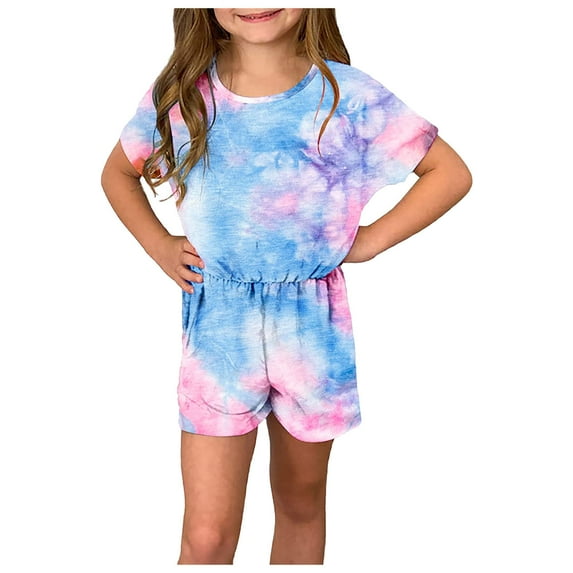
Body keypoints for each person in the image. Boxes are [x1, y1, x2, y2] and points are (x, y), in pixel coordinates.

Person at [101, 8, 472, 565]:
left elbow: (450, 173)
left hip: (311, 331)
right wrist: (159, 246)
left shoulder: (348, 95)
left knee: (300, 502)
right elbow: (118, 173)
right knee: (206, 534)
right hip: (220, 332)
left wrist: (370, 240)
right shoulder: (184, 95)